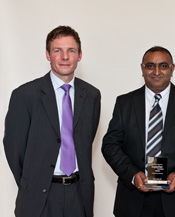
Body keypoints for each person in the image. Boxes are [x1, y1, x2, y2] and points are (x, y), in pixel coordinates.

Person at [3, 26, 101, 217]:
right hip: (39, 196)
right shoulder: (24, 95)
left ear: (79, 55)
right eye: (58, 50)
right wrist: (32, 182)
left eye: (71, 50)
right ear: (48, 55)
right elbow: (14, 150)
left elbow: (86, 139)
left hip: (79, 194)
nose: (65, 57)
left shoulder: (92, 95)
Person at [102, 46, 175, 217]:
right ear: (142, 69)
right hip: (133, 201)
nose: (156, 71)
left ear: (172, 69)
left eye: (163, 66)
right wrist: (132, 174)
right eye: (150, 66)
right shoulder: (125, 103)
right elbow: (109, 145)